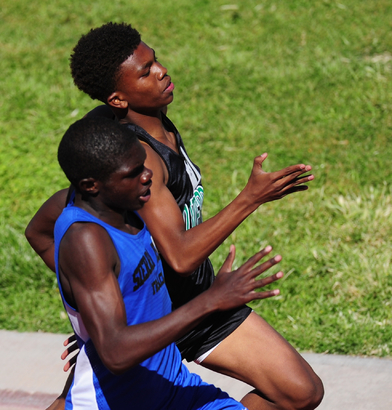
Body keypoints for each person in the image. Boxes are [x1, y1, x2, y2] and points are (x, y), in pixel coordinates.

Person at [26, 23, 324, 410]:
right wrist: (249, 199)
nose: (161, 72)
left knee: (301, 391)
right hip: (183, 307)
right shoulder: (136, 154)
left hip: (191, 300)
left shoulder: (152, 121)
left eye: (156, 61)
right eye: (145, 71)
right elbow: (179, 257)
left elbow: (43, 231)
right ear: (118, 99)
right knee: (91, 397)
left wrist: (95, 310)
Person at [52, 116, 285, 409]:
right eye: (133, 173)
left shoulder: (126, 206)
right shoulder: (86, 239)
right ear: (91, 186)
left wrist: (91, 308)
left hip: (174, 387)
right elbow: (115, 352)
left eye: (144, 164)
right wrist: (212, 300)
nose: (148, 175)